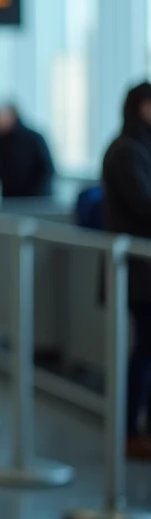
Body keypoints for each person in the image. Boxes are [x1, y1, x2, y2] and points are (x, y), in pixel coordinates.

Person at [101, 82, 151, 459]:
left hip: (140, 270)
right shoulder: (126, 151)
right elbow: (143, 206)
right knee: (144, 350)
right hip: (137, 272)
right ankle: (128, 430)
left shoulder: (137, 148)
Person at [0, 105, 56, 199]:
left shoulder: (33, 139)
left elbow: (47, 169)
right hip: (10, 200)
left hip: (36, 200)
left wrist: (38, 194)